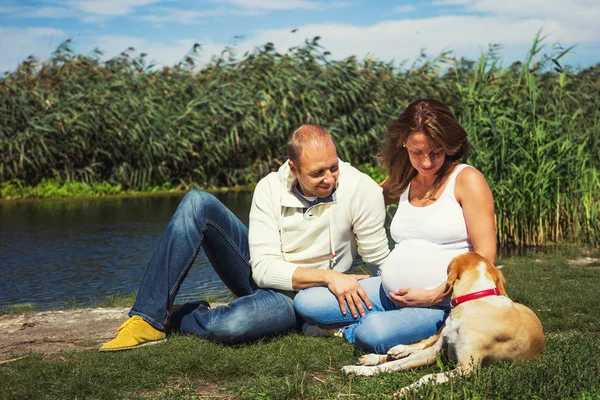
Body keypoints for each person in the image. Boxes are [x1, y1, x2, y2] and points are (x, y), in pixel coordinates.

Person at [100, 124, 390, 351]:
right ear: (293, 168)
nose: (329, 178)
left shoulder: (361, 190)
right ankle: (148, 318)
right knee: (196, 202)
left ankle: (179, 316)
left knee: (229, 326)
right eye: (317, 173)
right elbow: (262, 270)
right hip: (265, 276)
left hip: (304, 296)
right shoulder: (269, 188)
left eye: (333, 167)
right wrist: (328, 276)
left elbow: (378, 260)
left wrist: (396, 300)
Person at [294, 98, 497, 354]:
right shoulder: (404, 179)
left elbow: (485, 258)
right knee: (307, 302)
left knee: (373, 333)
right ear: (403, 142)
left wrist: (435, 295)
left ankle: (351, 329)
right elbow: (363, 199)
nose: (426, 162)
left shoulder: (467, 180)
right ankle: (376, 322)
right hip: (387, 294)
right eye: (417, 152)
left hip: (443, 304)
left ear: (448, 143)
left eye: (436, 151)